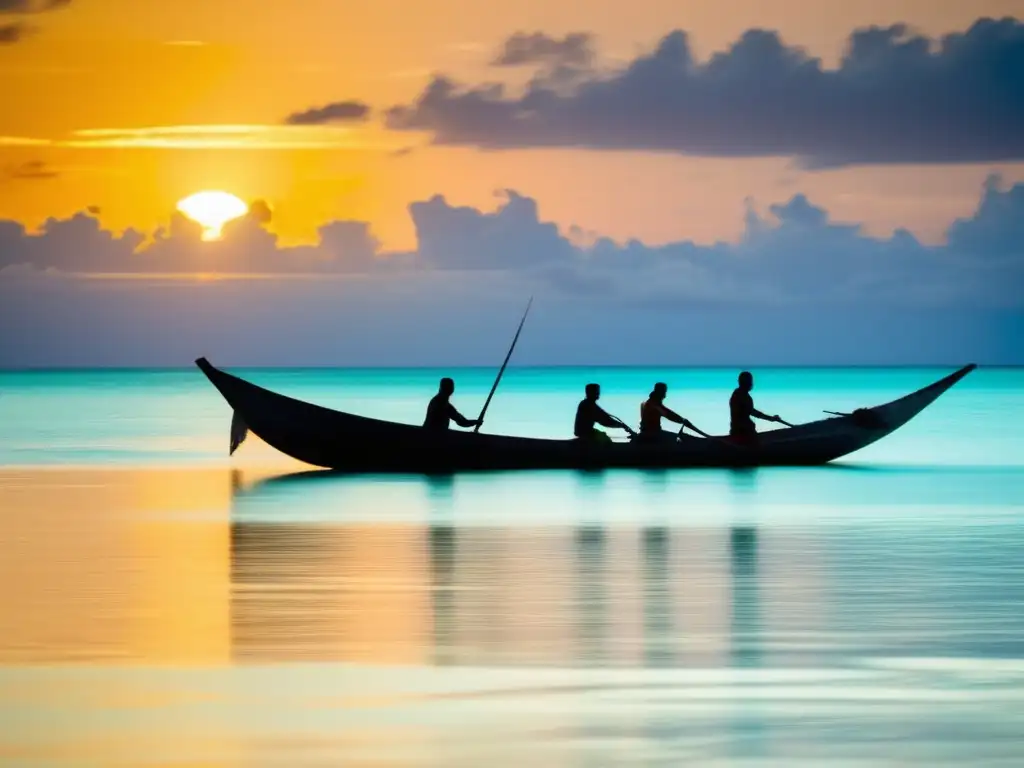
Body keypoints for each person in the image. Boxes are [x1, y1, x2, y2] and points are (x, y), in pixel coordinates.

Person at [729, 371, 785, 439]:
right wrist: (771, 418)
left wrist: (771, 418)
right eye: (750, 381)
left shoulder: (736, 394)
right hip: (745, 433)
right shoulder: (744, 397)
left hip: (735, 431)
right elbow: (754, 413)